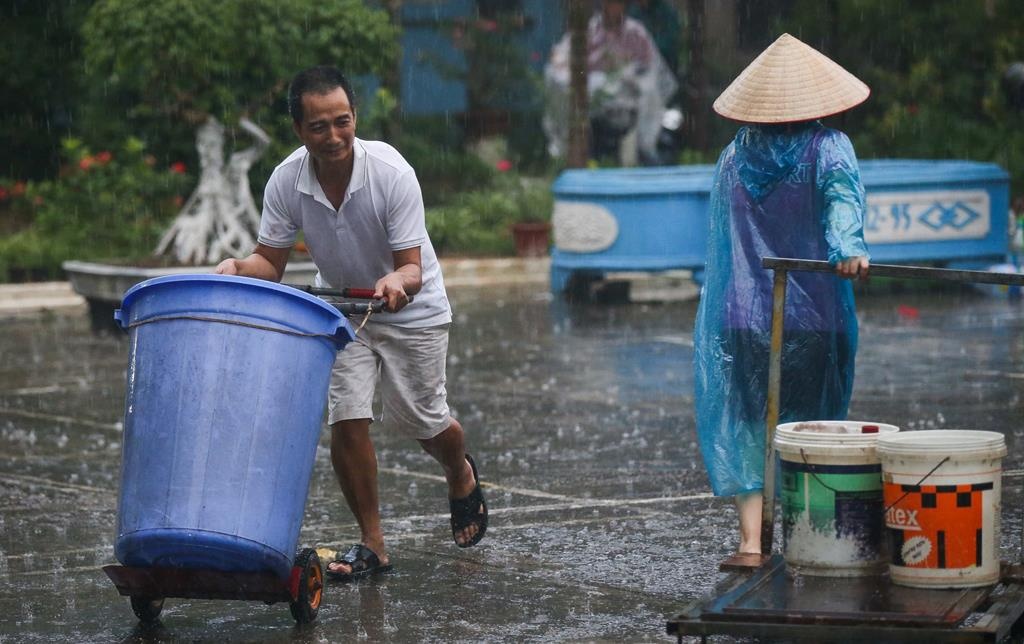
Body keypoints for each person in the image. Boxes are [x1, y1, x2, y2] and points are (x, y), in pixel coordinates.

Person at [216, 65, 488, 581]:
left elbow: (411, 265)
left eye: (343, 121)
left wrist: (395, 283)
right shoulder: (286, 179)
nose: (334, 136)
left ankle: (459, 469)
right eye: (319, 126)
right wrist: (237, 267)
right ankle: (373, 543)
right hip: (343, 307)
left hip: (412, 308)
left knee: (423, 423)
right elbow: (268, 263)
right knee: (347, 416)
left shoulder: (391, 172)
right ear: (299, 130)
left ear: (355, 117)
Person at [692, 34, 871, 557]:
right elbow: (842, 203)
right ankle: (805, 537)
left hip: (742, 315)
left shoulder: (733, 157)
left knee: (750, 425)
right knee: (808, 425)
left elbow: (727, 243)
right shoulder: (828, 147)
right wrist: (849, 250)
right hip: (814, 316)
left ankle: (751, 542)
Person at [542, 0, 677, 165]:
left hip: (625, 98)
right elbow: (562, 57)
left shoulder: (635, 32)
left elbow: (648, 67)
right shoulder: (589, 30)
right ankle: (567, 150)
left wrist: (625, 73)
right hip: (589, 97)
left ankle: (644, 150)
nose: (612, 7)